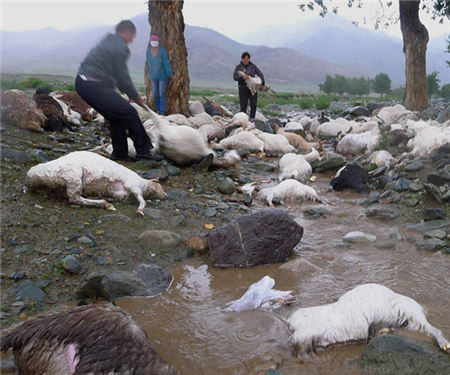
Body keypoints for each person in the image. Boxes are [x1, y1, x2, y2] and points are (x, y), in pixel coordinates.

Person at [75, 20, 162, 162]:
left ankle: (120, 155)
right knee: (130, 112)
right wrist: (135, 97)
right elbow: (122, 76)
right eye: (132, 36)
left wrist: (130, 94)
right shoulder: (119, 46)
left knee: (117, 116)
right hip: (92, 84)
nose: (132, 40)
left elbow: (116, 75)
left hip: (84, 83)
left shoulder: (109, 42)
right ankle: (144, 151)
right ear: (127, 31)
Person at [233, 51, 265, 121]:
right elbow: (234, 77)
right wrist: (242, 78)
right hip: (242, 88)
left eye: (247, 58)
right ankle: (243, 121)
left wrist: (262, 83)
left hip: (252, 88)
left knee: (253, 105)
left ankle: (252, 120)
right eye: (244, 58)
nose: (246, 60)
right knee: (243, 106)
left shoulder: (253, 66)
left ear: (249, 59)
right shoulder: (238, 67)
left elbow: (260, 74)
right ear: (241, 59)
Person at [146, 34, 173, 115]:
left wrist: (170, 74)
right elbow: (148, 63)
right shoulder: (148, 51)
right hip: (153, 77)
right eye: (152, 41)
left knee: (161, 94)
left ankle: (162, 111)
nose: (154, 42)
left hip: (162, 77)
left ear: (158, 42)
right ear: (150, 42)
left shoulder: (162, 51)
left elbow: (166, 63)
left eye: (155, 41)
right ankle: (157, 109)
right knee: (155, 94)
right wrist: (150, 74)